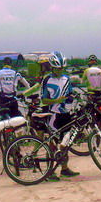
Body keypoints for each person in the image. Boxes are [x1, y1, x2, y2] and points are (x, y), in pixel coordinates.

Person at [40, 52, 80, 180]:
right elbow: (44, 100)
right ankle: (50, 171)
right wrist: (56, 101)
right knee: (53, 144)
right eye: (57, 68)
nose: (60, 71)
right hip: (53, 115)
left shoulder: (66, 79)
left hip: (66, 114)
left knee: (65, 143)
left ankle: (64, 169)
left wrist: (74, 98)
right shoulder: (47, 80)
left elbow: (70, 94)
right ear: (52, 67)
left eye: (62, 68)